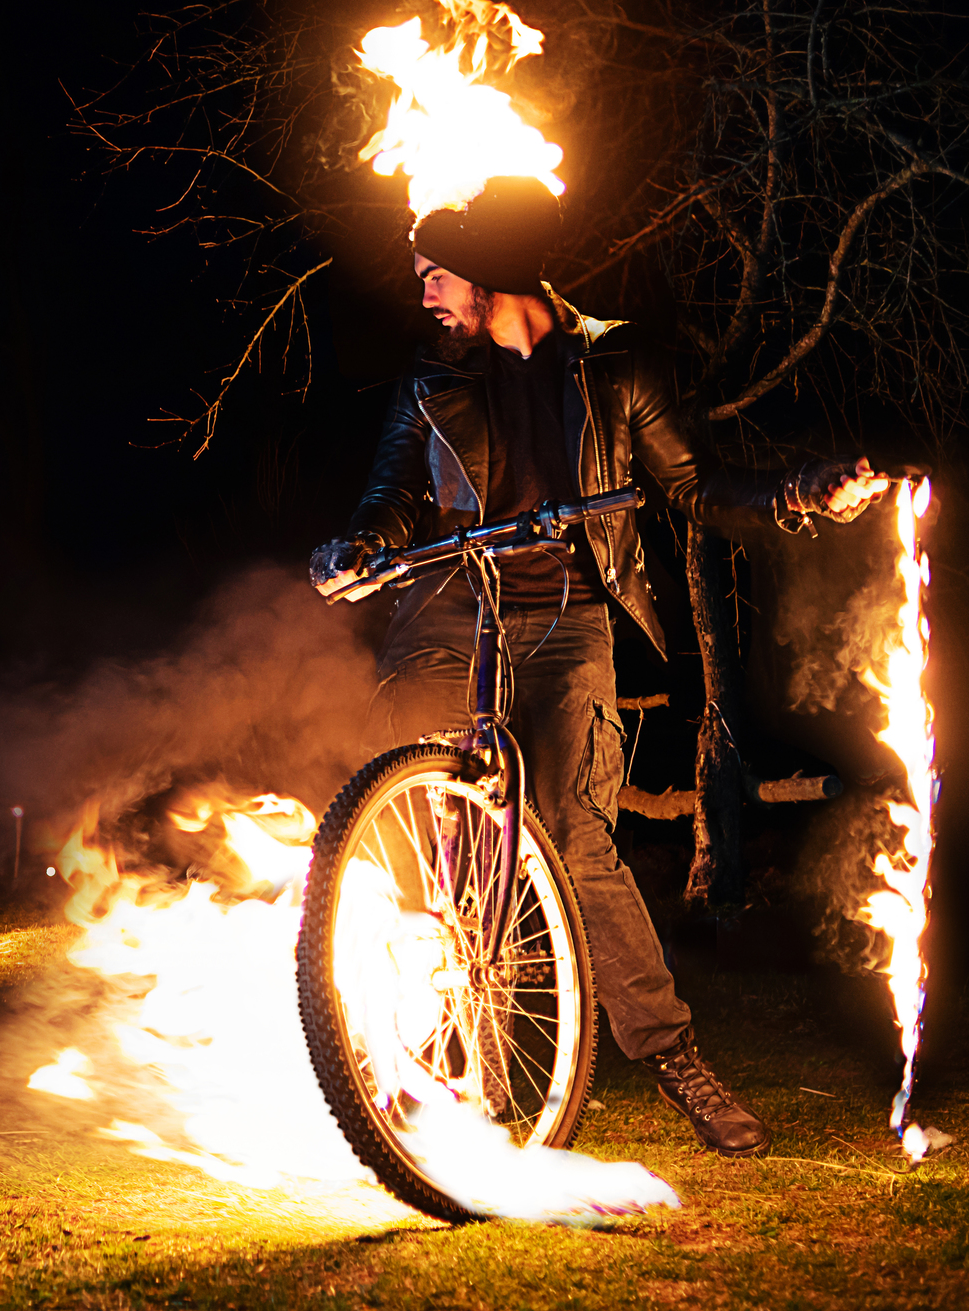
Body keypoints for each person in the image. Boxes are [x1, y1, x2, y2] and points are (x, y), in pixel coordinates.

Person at [310, 176, 888, 1159]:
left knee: (576, 835)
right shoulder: (430, 379)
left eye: (434, 276)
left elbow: (694, 491)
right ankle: (445, 1034)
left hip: (568, 615)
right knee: (425, 801)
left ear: (488, 275)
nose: (423, 297)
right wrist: (358, 543)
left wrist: (795, 491)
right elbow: (391, 496)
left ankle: (669, 1053)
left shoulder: (612, 364)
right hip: (453, 603)